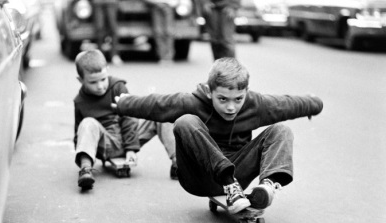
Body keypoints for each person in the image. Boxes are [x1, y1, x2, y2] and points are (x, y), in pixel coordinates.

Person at [112, 57, 323, 214]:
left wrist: (314, 104)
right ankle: (229, 185)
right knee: (185, 121)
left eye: (238, 99)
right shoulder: (193, 103)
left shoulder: (255, 105)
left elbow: (287, 105)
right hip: (199, 176)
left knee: (281, 130)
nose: (231, 107)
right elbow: (157, 105)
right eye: (222, 99)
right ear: (209, 91)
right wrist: (122, 104)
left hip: (239, 175)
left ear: (246, 92)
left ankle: (267, 186)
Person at [73, 49, 177, 189]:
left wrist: (130, 149)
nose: (100, 86)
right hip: (107, 144)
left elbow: (129, 117)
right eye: (93, 82)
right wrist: (88, 154)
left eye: (103, 79)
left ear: (107, 71)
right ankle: (85, 171)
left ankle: (177, 162)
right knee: (87, 123)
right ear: (80, 80)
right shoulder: (80, 101)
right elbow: (79, 136)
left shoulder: (117, 87)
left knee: (160, 112)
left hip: (130, 136)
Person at [92, 0, 123, 65]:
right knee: (99, 29)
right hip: (98, 3)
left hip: (111, 2)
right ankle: (100, 56)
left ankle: (114, 55)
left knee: (113, 28)